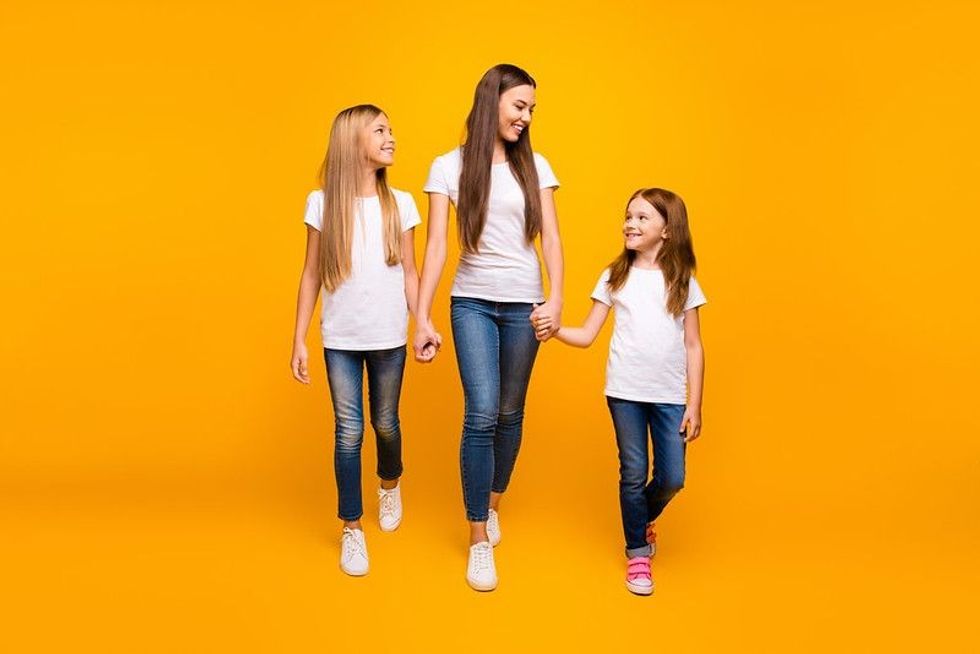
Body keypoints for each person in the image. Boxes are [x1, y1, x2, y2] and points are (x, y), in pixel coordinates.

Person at [413, 64, 564, 591]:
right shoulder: (447, 167)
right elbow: (435, 246)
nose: (526, 117)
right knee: (481, 412)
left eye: (531, 110)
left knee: (509, 411)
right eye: (519, 105)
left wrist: (557, 298)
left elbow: (551, 239)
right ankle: (478, 536)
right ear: (492, 101)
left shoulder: (535, 167)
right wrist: (422, 315)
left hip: (524, 305)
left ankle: (492, 502)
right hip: (471, 302)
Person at [533, 187, 705, 595]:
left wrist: (694, 404)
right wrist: (553, 330)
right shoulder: (615, 276)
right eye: (629, 216)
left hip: (669, 396)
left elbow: (694, 345)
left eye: (643, 217)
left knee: (672, 477)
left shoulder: (683, 281)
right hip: (624, 392)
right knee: (632, 473)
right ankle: (638, 554)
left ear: (667, 229)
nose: (631, 223)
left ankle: (640, 517)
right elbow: (589, 333)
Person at [290, 105, 422, 576]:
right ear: (352, 142)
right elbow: (310, 274)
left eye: (392, 128)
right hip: (339, 339)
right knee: (348, 432)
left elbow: (410, 272)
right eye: (381, 130)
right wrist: (299, 338)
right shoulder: (321, 204)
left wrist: (422, 321)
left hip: (389, 336)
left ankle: (390, 482)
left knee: (385, 422)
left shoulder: (401, 203)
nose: (391, 136)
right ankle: (352, 527)